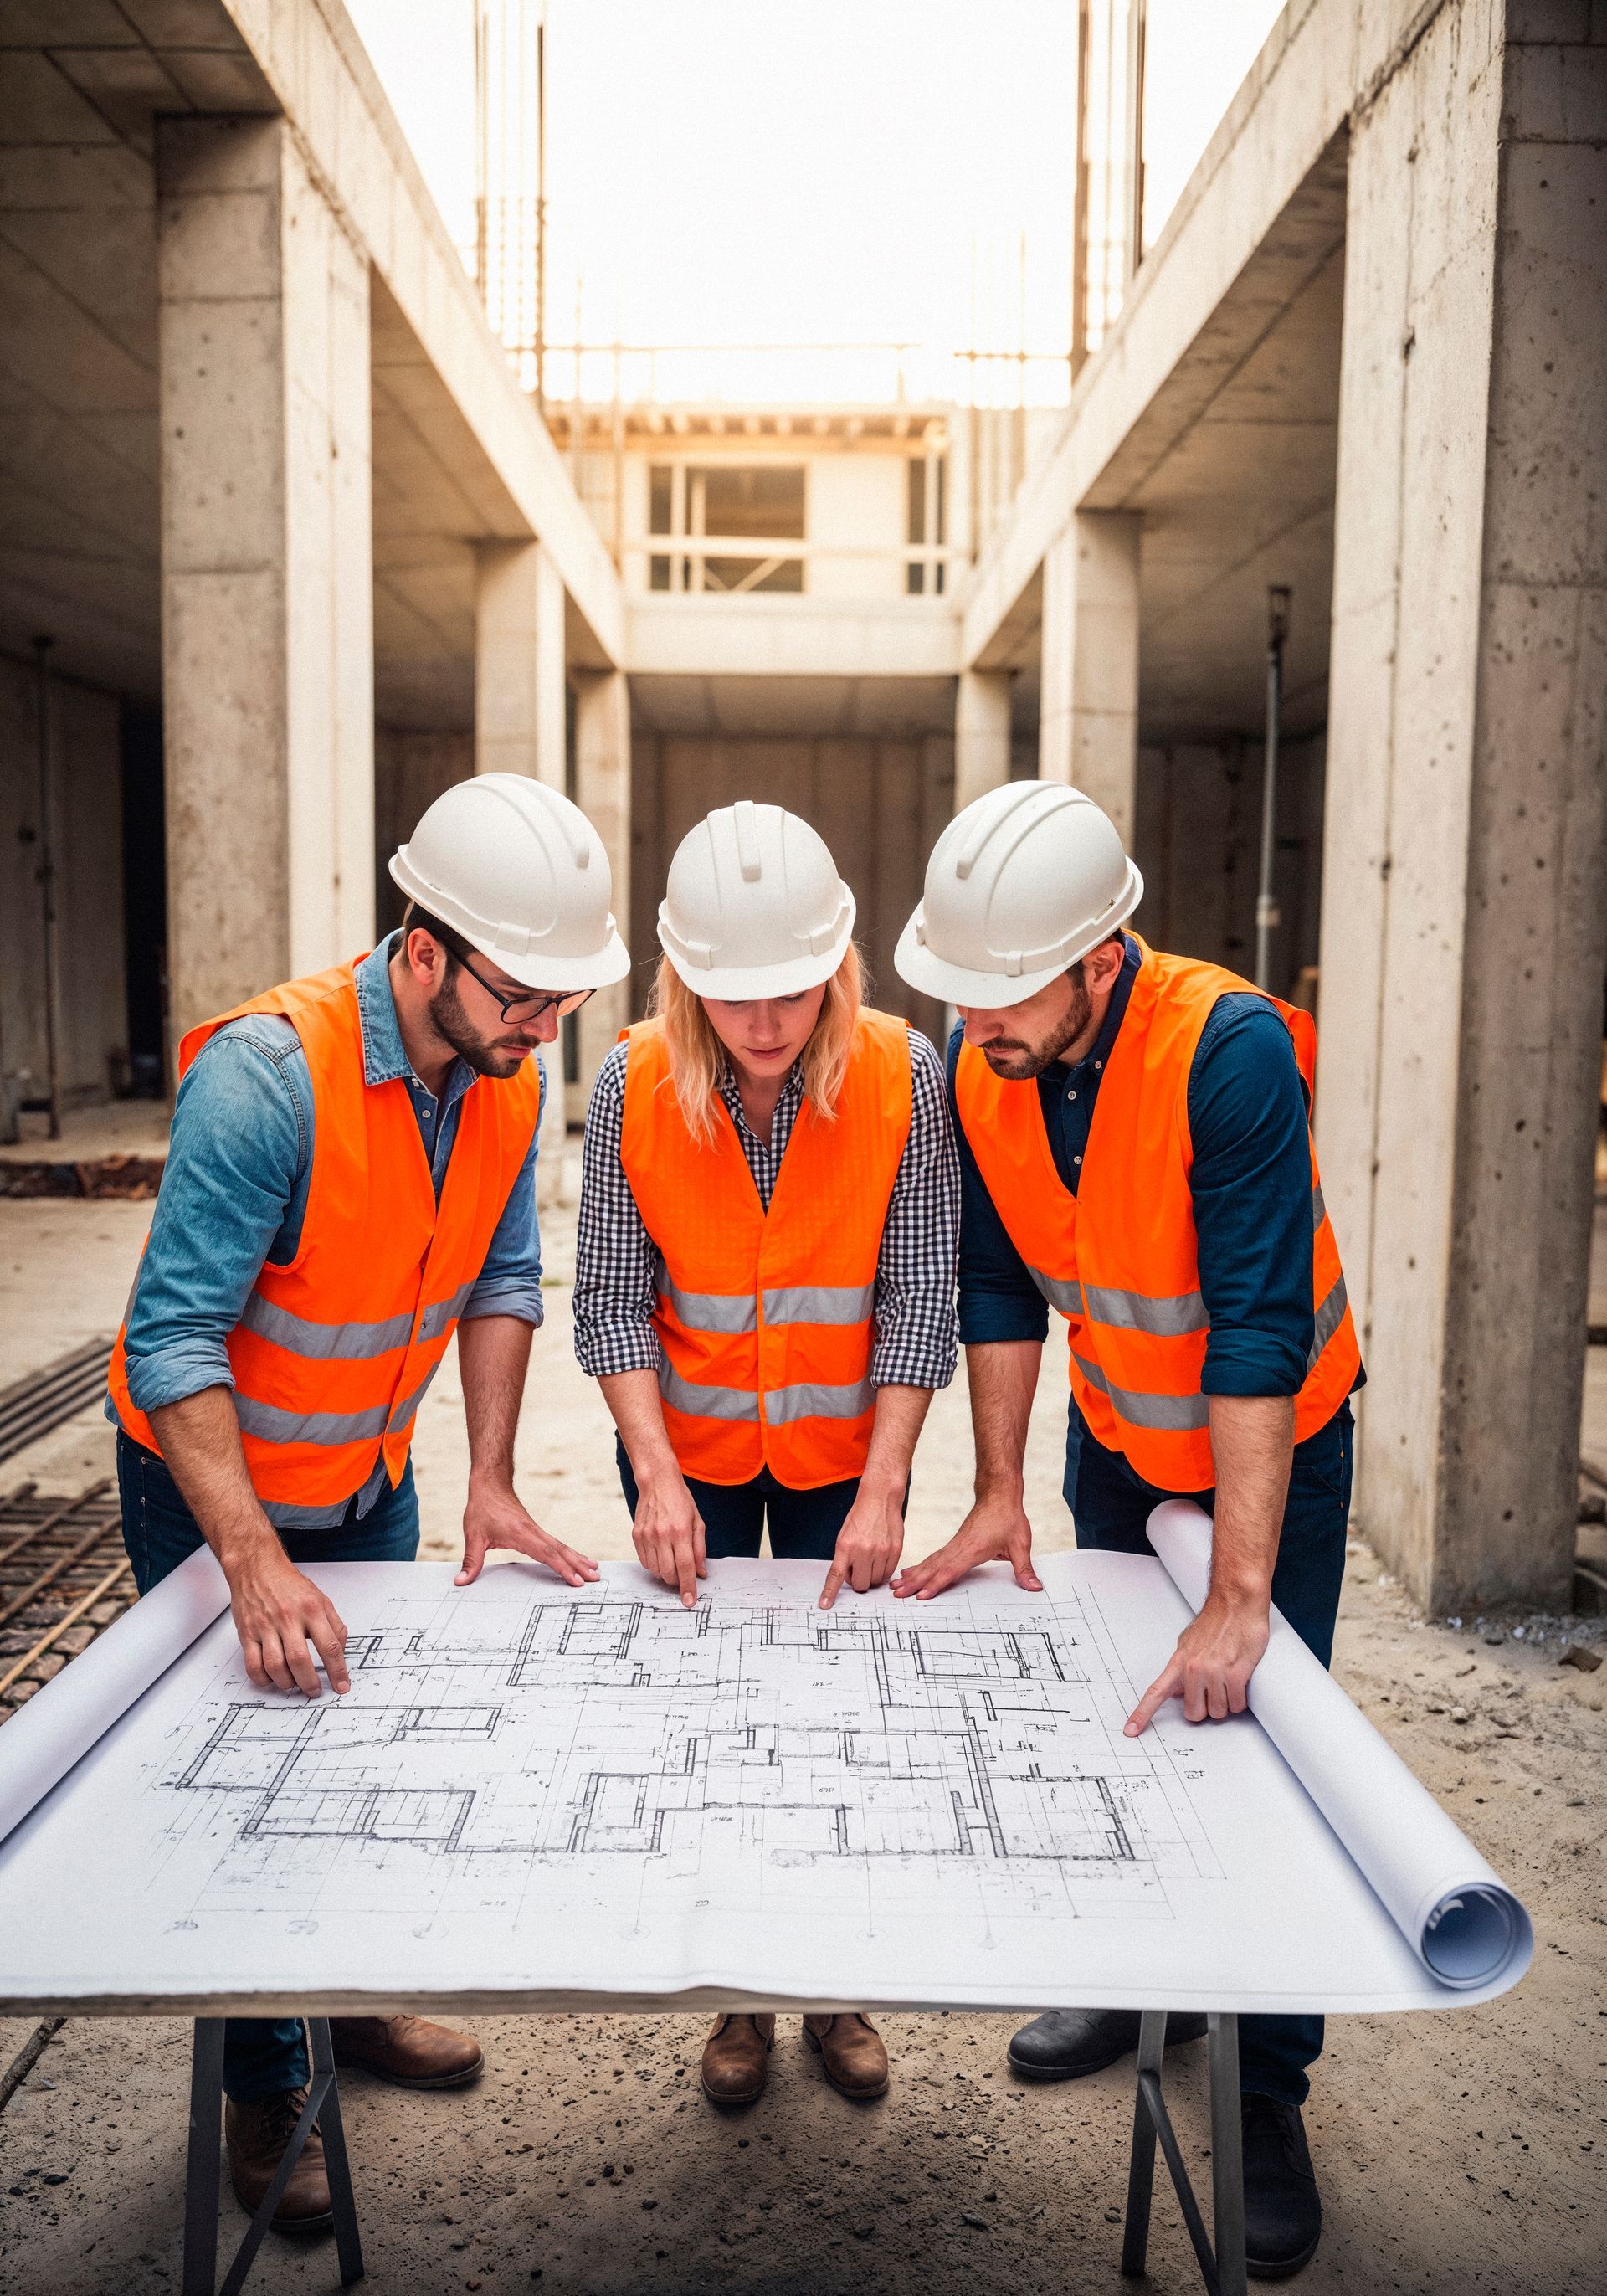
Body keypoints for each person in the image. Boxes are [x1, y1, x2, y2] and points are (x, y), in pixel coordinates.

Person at [106, 774, 629, 2233]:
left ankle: (346, 2010)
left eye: (563, 1002)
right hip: (213, 1495)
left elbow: (504, 1276)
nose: (545, 1029)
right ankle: (266, 2089)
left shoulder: (509, 1078)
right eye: (524, 995)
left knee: (364, 1772)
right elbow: (170, 1343)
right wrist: (256, 1566)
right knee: (257, 1799)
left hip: (370, 1479)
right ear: (423, 949)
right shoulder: (266, 1079)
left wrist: (495, 1476)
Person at [892, 778, 1362, 2280]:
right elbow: (1000, 1289)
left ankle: (1267, 2090)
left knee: (1266, 1751)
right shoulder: (986, 1061)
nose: (977, 1024)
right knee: (1112, 1724)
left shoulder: (1225, 1052)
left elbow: (1256, 1331)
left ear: (1104, 959)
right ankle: (1128, 1988)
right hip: (1115, 1439)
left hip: (1267, 1446)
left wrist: (1238, 1588)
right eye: (959, 992)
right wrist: (997, 1489)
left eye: (1005, 990)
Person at [574, 799, 959, 2109]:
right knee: (711, 1718)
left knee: (835, 1721)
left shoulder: (910, 1071)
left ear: (838, 964)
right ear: (682, 975)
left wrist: (890, 1479)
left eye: (794, 990)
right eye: (735, 996)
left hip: (847, 1455)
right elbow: (610, 1299)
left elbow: (920, 1294)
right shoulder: (628, 1077)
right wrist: (658, 1471)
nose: (766, 1024)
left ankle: (834, 1983)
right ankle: (739, 1993)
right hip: (684, 1452)